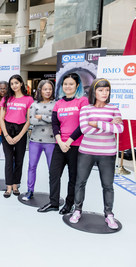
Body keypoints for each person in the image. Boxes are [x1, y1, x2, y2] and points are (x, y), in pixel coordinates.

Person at [69, 78, 123, 229]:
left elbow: (119, 129)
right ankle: (77, 210)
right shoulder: (86, 109)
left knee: (108, 186)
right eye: (101, 90)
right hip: (86, 152)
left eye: (107, 90)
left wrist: (96, 123)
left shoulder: (113, 108)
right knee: (80, 182)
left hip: (108, 153)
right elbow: (85, 130)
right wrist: (108, 124)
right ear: (94, 91)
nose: (104, 93)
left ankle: (109, 214)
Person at [38, 73, 89, 214]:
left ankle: (69, 204)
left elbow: (82, 125)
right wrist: (60, 141)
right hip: (60, 145)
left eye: (71, 84)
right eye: (65, 84)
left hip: (76, 145)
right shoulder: (59, 103)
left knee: (73, 177)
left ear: (77, 86)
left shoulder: (82, 101)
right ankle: (54, 202)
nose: (67, 86)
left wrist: (69, 141)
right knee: (54, 174)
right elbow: (55, 124)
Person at [0, 74, 33, 198]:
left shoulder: (28, 99)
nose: (14, 85)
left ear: (21, 84)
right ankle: (8, 186)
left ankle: (15, 184)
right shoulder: (6, 99)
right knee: (9, 160)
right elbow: (1, 119)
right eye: (12, 83)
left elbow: (29, 120)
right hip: (7, 129)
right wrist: (7, 135)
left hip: (21, 130)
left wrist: (19, 136)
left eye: (16, 83)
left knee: (19, 160)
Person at [22, 80, 56, 201]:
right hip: (35, 140)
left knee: (52, 169)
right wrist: (49, 119)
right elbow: (32, 121)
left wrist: (42, 116)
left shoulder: (56, 104)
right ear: (40, 90)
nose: (48, 91)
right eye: (45, 89)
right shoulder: (34, 104)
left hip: (51, 141)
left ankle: (54, 194)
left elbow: (56, 120)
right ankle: (30, 190)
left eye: (50, 89)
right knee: (32, 166)